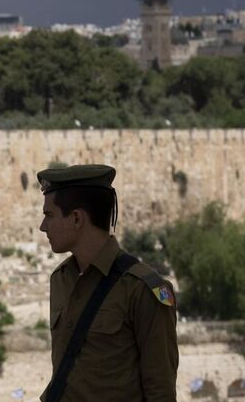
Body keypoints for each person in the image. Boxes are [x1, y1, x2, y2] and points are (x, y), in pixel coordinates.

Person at [37, 164, 177, 402]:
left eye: (49, 215)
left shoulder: (144, 289)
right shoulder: (60, 279)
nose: (43, 226)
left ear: (77, 218)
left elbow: (160, 390)